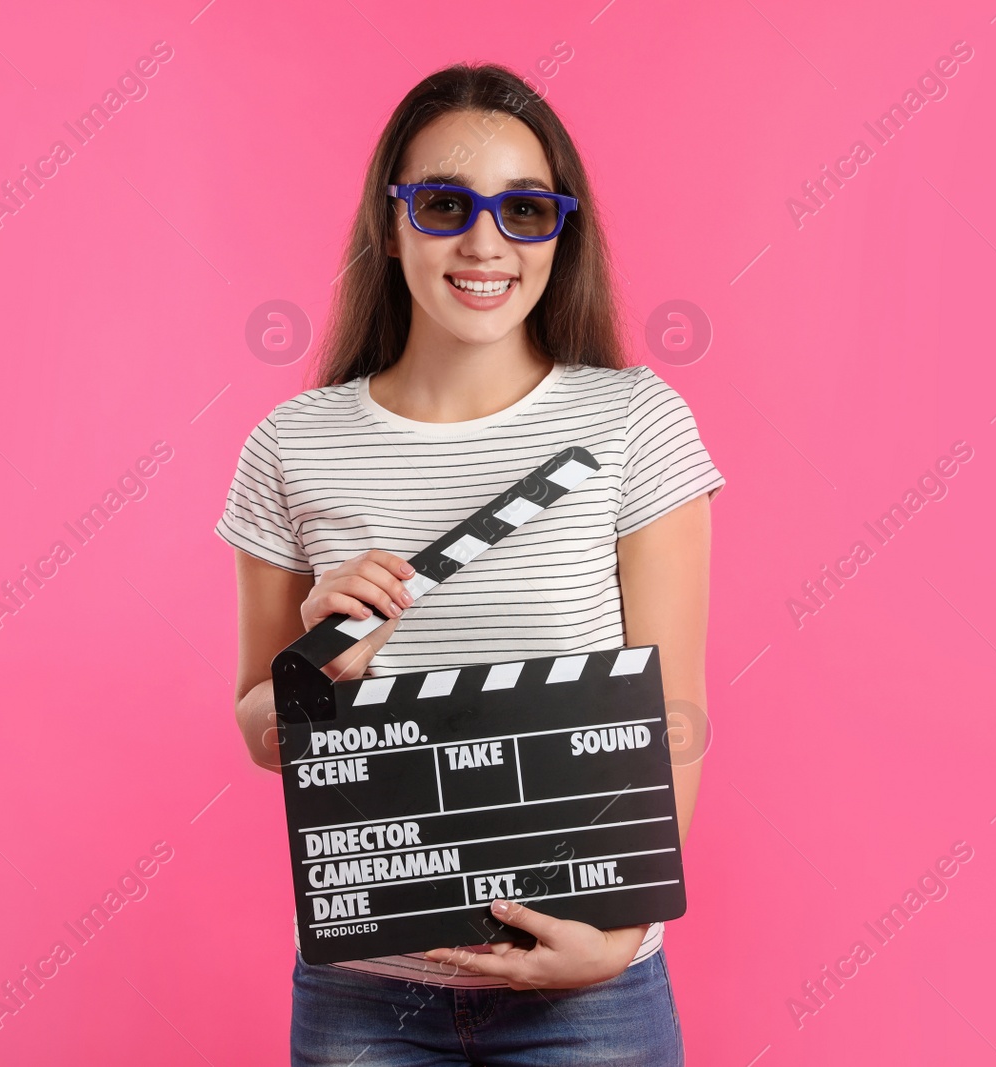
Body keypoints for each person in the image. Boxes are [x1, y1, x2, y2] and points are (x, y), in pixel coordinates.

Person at [215, 61, 725, 1067]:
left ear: (559, 228)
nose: (484, 242)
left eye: (524, 208)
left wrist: (614, 934)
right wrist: (317, 670)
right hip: (364, 993)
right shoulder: (292, 443)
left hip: (588, 990)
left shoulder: (633, 420)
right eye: (445, 203)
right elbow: (261, 732)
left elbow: (674, 711)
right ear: (390, 219)